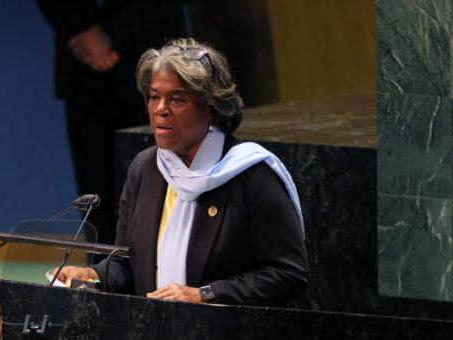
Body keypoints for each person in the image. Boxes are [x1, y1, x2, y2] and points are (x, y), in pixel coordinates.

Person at [51, 38, 308, 306]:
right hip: (155, 336)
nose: (160, 109)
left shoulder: (250, 173)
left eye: (176, 98)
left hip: (227, 338)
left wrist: (204, 295)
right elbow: (127, 265)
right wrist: (91, 274)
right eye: (154, 97)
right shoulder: (146, 168)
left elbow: (288, 274)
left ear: (209, 107)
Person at [36, 0, 186, 245]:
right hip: (83, 68)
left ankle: (159, 275)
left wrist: (112, 34)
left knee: (159, 190)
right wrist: (79, 30)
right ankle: (101, 275)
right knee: (96, 197)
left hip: (155, 59)